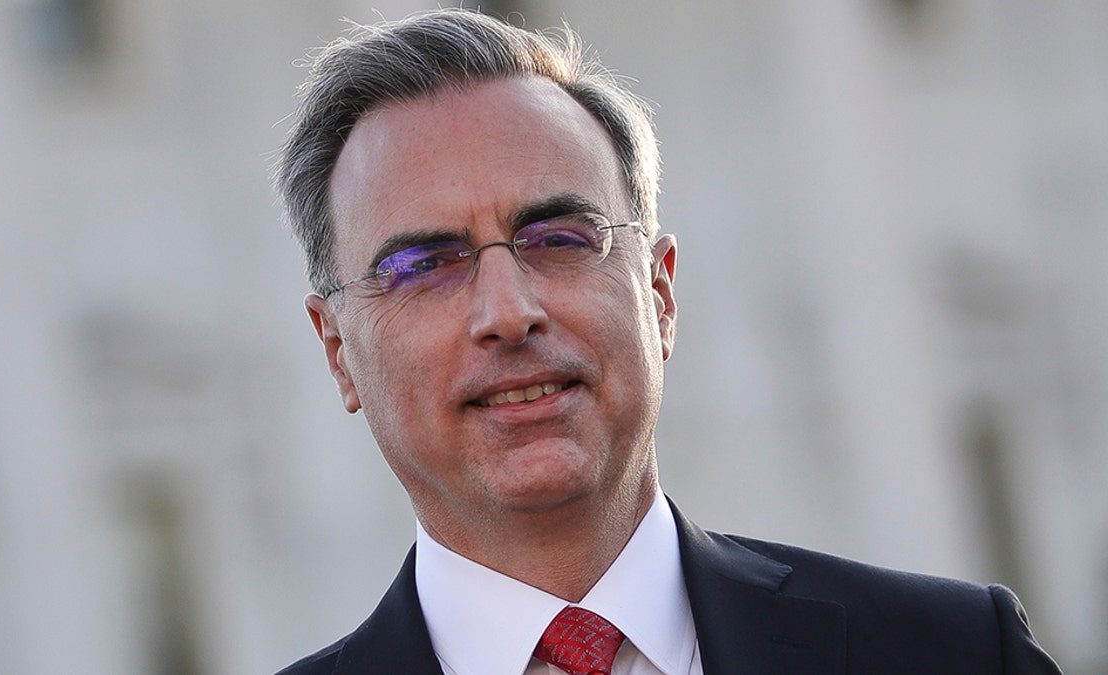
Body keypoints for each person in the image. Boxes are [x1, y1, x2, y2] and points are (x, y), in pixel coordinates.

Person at [273, 8, 1061, 674]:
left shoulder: (950, 650)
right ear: (339, 350)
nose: (509, 312)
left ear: (659, 293)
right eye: (427, 264)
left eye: (559, 238)